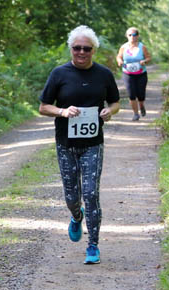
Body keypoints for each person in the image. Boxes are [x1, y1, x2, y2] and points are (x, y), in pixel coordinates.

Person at [38, 25, 120, 264]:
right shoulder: (59, 74)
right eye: (77, 48)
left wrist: (109, 111)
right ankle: (76, 216)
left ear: (94, 50)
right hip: (66, 144)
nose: (81, 52)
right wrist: (62, 112)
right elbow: (44, 107)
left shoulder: (103, 74)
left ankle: (93, 245)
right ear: (71, 49)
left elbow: (115, 102)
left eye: (87, 48)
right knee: (72, 196)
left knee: (92, 193)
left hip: (93, 143)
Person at [116, 27, 151, 121]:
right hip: (128, 73)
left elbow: (148, 57)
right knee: (131, 94)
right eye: (130, 35)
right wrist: (119, 61)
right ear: (127, 36)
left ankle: (142, 105)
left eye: (134, 34)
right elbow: (119, 57)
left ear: (138, 36)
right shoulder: (123, 47)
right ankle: (136, 114)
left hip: (141, 74)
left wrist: (144, 61)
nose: (132, 36)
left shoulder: (142, 47)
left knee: (141, 94)